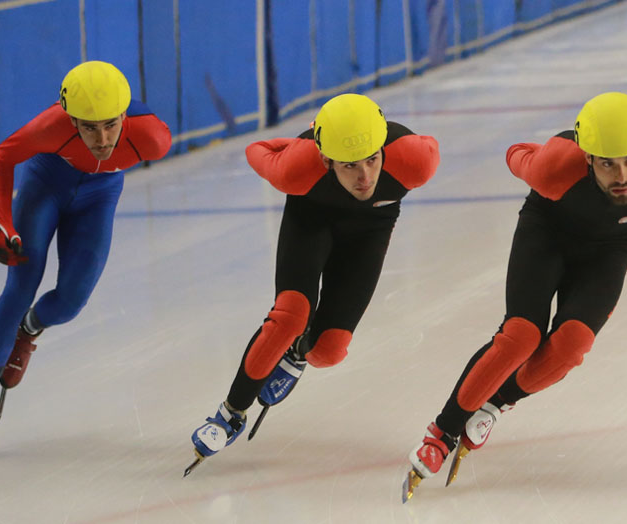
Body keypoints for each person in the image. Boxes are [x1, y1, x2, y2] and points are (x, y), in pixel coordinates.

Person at [403, 91, 627, 500]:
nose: (622, 175)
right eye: (607, 163)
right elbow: (515, 152)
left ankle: (495, 403)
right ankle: (441, 434)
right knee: (521, 336)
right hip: (547, 233)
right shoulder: (554, 167)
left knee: (571, 345)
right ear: (587, 157)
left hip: (608, 249)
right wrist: (538, 155)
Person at [184, 93, 440, 475]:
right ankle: (230, 413)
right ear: (326, 159)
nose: (365, 177)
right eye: (350, 165)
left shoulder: (414, 160)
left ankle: (298, 351)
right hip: (311, 219)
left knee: (329, 352)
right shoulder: (295, 168)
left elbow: (429, 145)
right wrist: (298, 143)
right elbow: (257, 149)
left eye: (372, 159)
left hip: (370, 230)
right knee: (290, 315)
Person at [0, 61, 172, 461]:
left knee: (72, 301)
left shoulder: (153, 137)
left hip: (99, 196)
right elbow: (2, 157)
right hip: (47, 184)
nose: (102, 140)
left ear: (124, 116)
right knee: (19, 289)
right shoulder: (51, 126)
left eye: (111, 125)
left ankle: (29, 329)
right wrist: (4, 223)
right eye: (89, 128)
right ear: (71, 120)